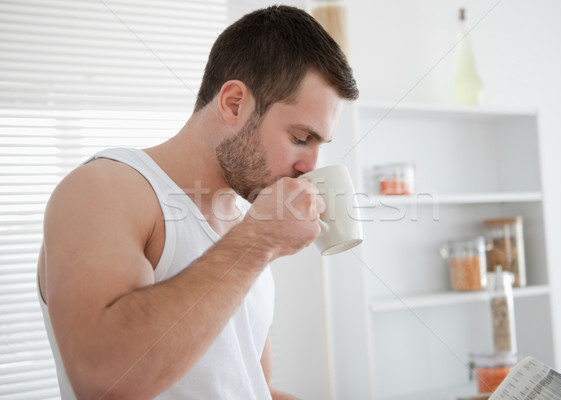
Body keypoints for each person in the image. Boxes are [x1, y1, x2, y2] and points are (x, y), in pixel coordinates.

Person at [37, 4, 358, 400]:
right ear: (234, 103)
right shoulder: (105, 188)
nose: (310, 166)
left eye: (319, 144)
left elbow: (249, 386)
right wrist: (258, 242)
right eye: (299, 138)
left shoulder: (245, 226)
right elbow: (102, 377)